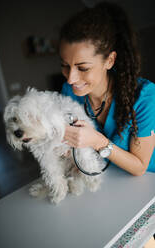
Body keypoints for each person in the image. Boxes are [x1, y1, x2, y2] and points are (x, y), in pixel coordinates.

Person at [59, 1, 155, 176]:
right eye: (65, 65)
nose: (71, 78)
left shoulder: (145, 95)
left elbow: (140, 167)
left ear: (109, 60)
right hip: (103, 181)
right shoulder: (68, 92)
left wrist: (97, 141)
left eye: (83, 68)